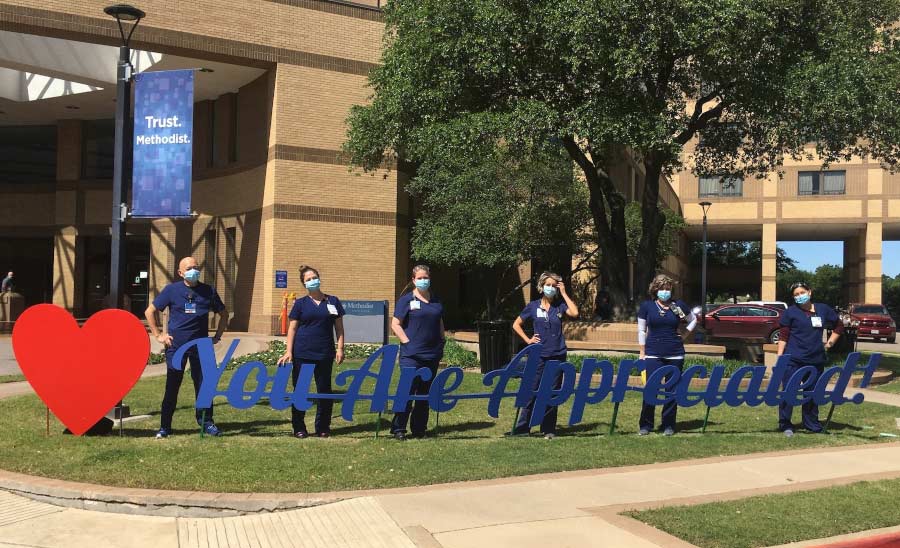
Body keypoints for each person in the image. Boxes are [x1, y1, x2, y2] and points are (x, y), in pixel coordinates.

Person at [145, 257, 227, 438]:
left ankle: (206, 422)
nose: (194, 270)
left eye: (196, 267)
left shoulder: (208, 291)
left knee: (204, 386)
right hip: (177, 346)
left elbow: (224, 313)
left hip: (201, 346)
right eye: (190, 268)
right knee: (172, 386)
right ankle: (165, 426)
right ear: (181, 273)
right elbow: (149, 311)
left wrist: (217, 336)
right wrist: (159, 335)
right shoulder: (171, 290)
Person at [277, 265, 345, 438]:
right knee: (300, 390)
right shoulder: (300, 304)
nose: (312, 281)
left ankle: (323, 427)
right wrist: (288, 351)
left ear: (319, 278)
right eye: (308, 279)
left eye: (314, 277)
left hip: (324, 353)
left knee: (324, 391)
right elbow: (292, 329)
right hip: (302, 353)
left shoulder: (332, 301)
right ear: (304, 284)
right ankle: (299, 427)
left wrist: (340, 348)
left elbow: (339, 328)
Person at [510, 272, 579, 439]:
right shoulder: (533, 306)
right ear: (542, 286)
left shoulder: (560, 306)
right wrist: (528, 340)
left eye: (553, 285)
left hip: (557, 355)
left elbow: (575, 313)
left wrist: (563, 293)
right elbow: (516, 324)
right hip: (538, 355)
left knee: (552, 392)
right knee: (531, 390)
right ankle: (522, 428)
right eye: (548, 285)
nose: (550, 288)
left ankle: (548, 428)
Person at [776, 281, 843, 437]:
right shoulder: (790, 312)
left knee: (812, 393)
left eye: (802, 293)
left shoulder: (823, 309)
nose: (799, 296)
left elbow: (839, 326)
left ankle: (811, 423)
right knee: (789, 392)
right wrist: (780, 356)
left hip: (816, 360)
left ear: (809, 292)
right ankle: (785, 424)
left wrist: (829, 343)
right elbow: (783, 335)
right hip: (793, 359)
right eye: (796, 295)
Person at [637, 274, 697, 436]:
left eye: (668, 289)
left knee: (672, 389)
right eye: (662, 288)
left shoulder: (678, 306)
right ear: (655, 290)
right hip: (652, 353)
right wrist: (642, 352)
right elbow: (642, 330)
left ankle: (668, 424)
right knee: (651, 389)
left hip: (675, 353)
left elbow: (693, 319)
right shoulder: (647, 307)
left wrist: (684, 334)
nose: (665, 291)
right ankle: (646, 424)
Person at [390, 265, 445, 440]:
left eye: (426, 277)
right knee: (406, 392)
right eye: (420, 278)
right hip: (411, 356)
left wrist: (442, 340)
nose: (423, 280)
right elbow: (395, 324)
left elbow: (439, 321)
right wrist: (407, 342)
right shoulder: (406, 300)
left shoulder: (435, 300)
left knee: (424, 394)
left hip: (432, 355)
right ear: (413, 280)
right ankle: (398, 428)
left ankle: (419, 428)